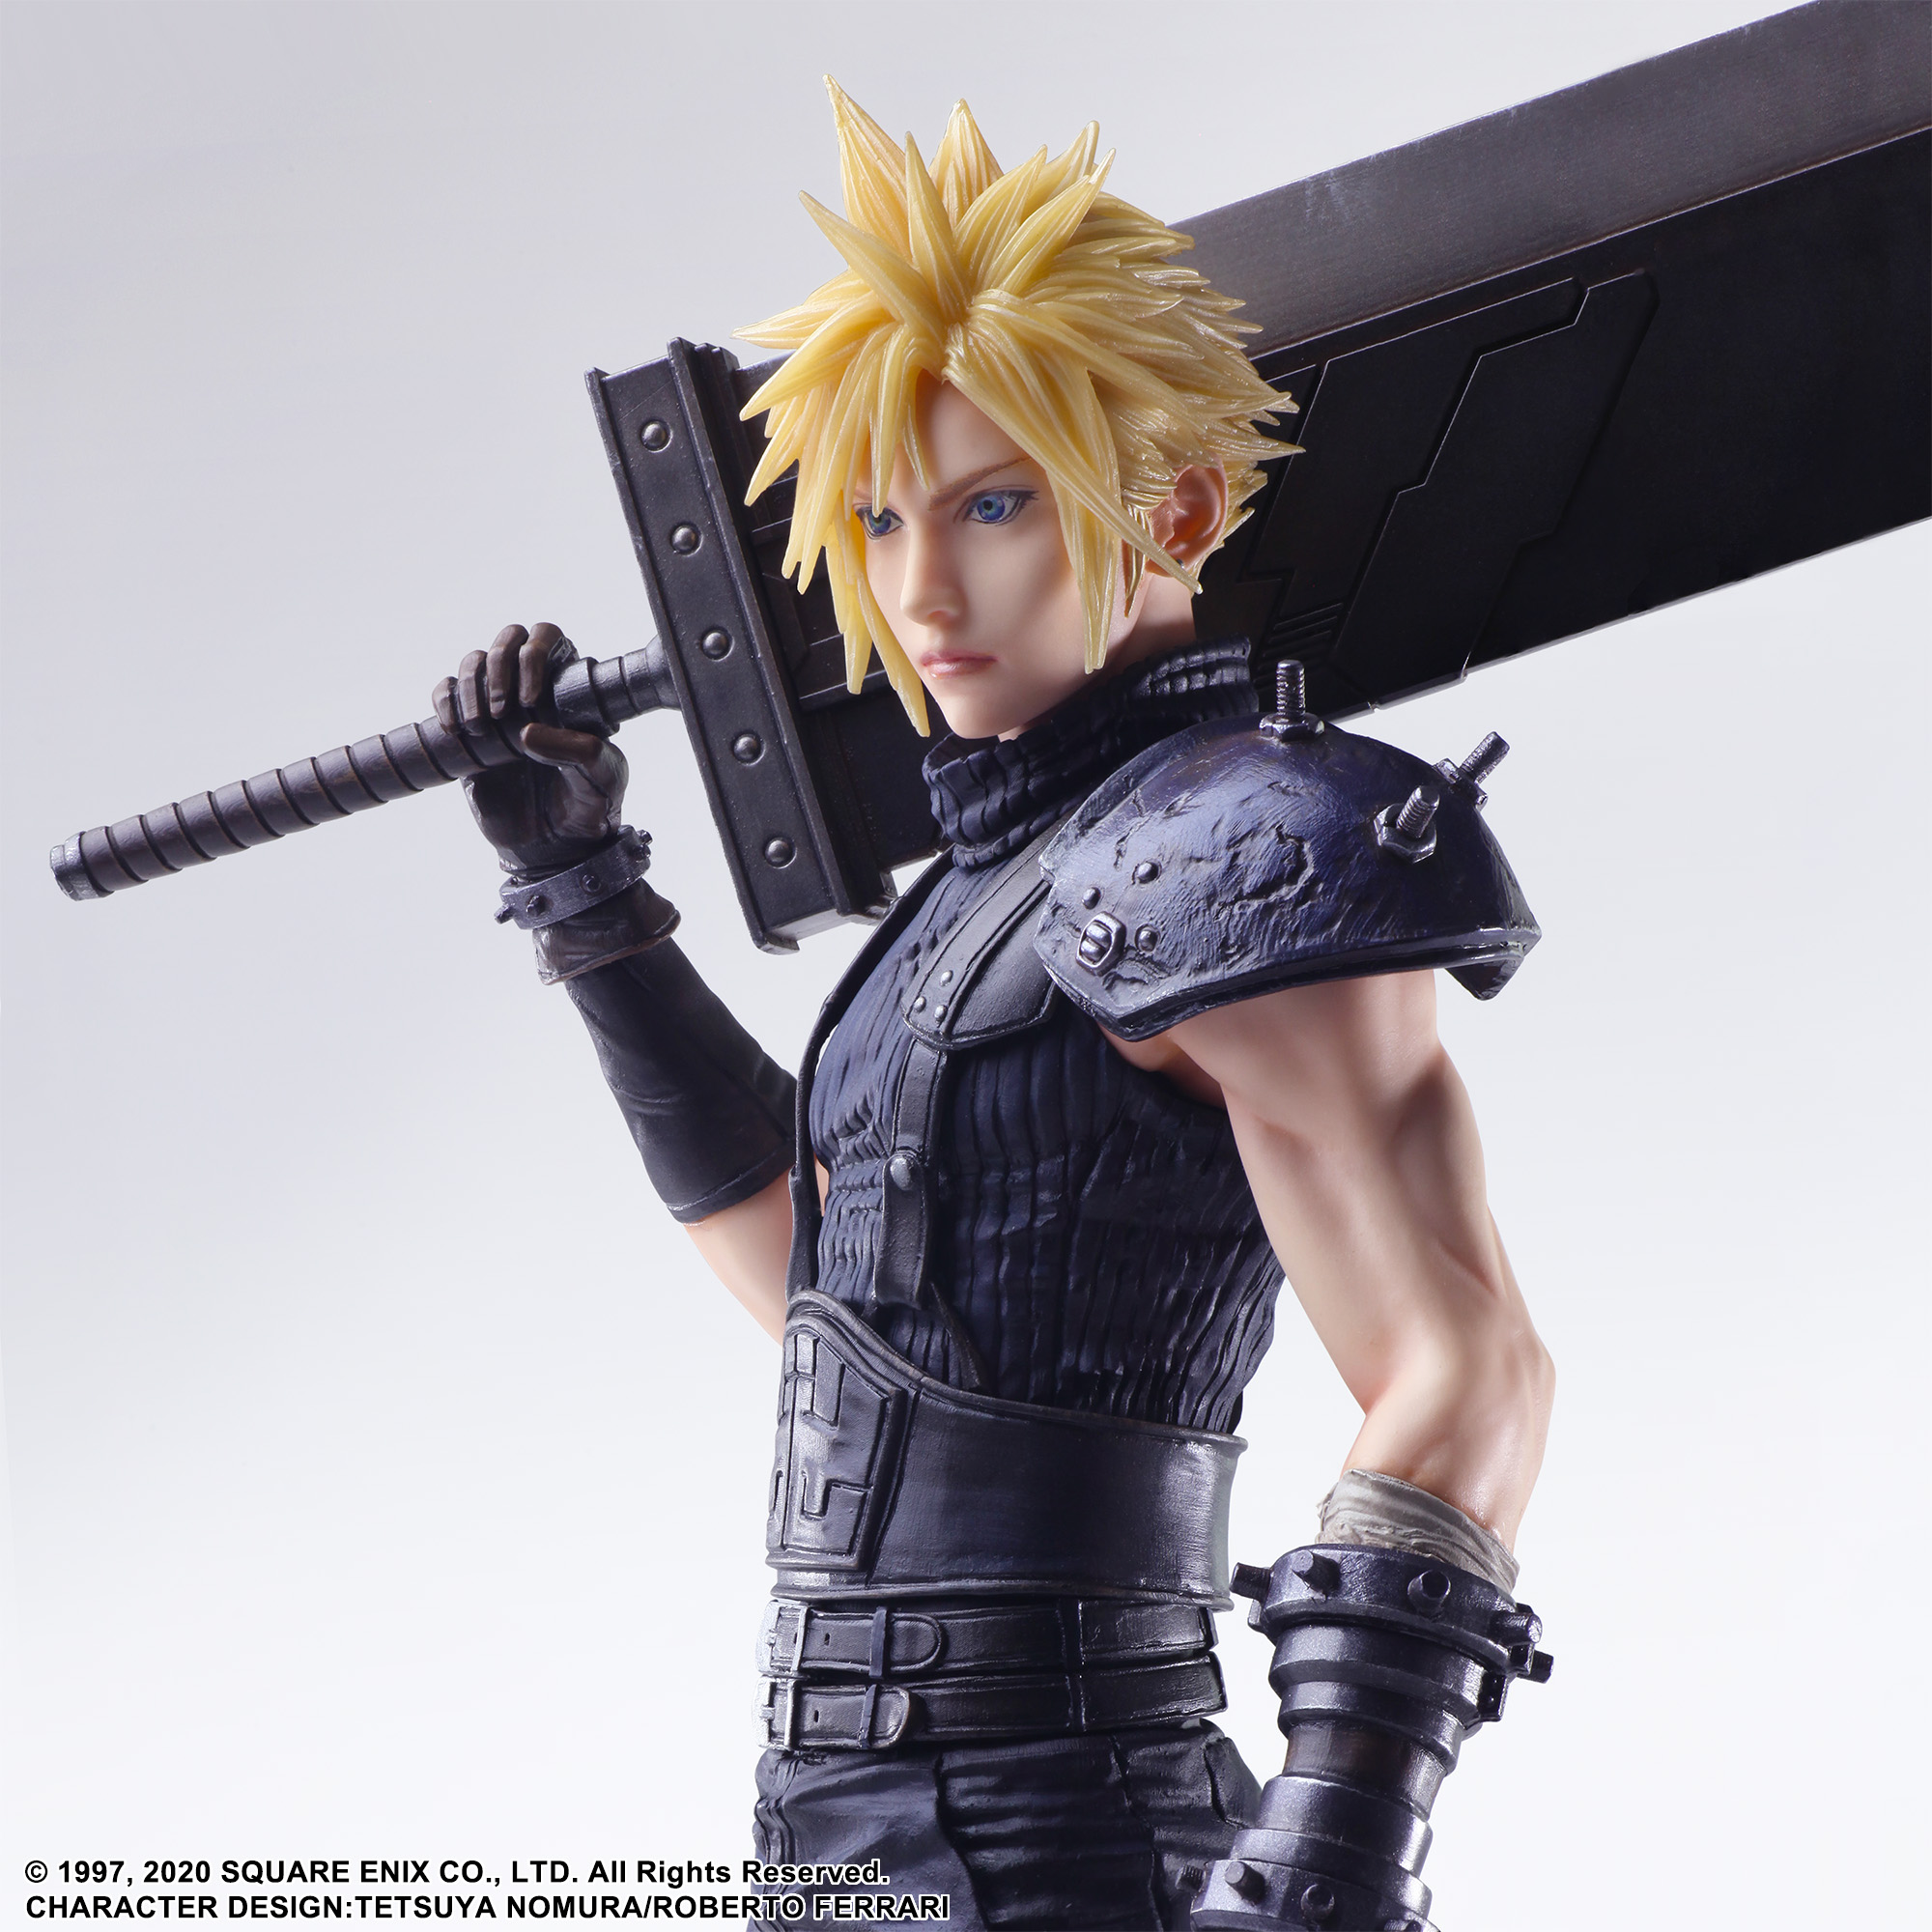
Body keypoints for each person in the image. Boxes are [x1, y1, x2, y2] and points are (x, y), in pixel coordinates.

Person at [437, 84, 1554, 1932]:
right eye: (880, 519)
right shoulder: (974, 900)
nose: (922, 588)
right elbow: (830, 1303)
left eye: (995, 506)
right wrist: (593, 909)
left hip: (1072, 1824)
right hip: (834, 1824)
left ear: (1173, 510)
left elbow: (1468, 1368)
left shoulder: (1243, 850)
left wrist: (1328, 1860)